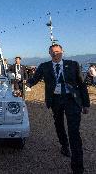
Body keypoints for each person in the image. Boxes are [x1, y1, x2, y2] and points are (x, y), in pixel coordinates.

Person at [27, 44, 90, 174]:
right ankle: (64, 145)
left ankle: (78, 168)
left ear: (62, 52)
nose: (55, 54)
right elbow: (34, 79)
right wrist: (23, 84)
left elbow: (82, 84)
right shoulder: (44, 66)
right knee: (59, 124)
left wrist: (86, 104)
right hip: (55, 100)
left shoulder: (73, 64)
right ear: (49, 54)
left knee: (74, 132)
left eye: (57, 52)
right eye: (53, 52)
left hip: (72, 99)